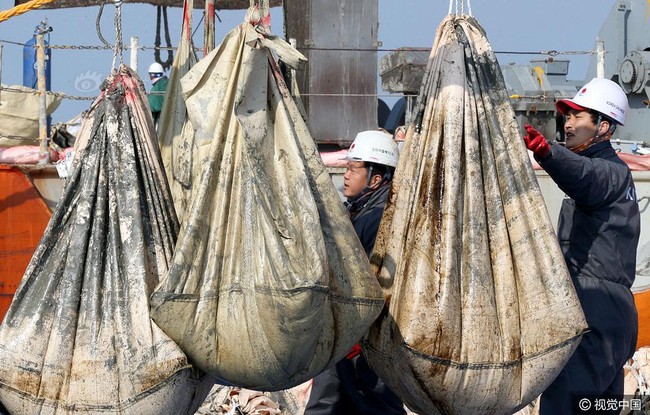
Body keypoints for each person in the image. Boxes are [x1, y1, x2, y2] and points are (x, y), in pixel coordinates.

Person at [523, 77, 640, 415]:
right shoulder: (615, 176)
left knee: (566, 406)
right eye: (567, 117)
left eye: (578, 117)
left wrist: (548, 152)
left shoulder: (609, 173)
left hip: (593, 312)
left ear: (603, 127)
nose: (568, 124)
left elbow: (585, 177)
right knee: (596, 407)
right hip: (612, 318)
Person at [305, 130, 406, 415]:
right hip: (346, 343)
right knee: (325, 406)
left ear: (376, 178)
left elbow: (377, 286)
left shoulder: (379, 222)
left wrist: (358, 335)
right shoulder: (360, 212)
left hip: (365, 350)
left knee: (377, 407)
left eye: (353, 167)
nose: (345, 174)